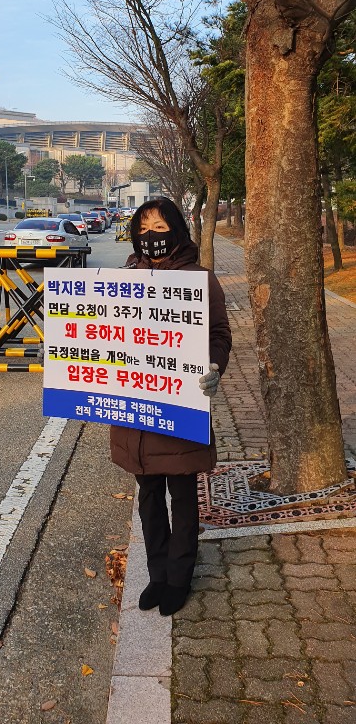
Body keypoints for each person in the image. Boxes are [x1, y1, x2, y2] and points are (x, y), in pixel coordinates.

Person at [110, 197, 232, 616]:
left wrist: (214, 366)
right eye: (144, 229)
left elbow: (219, 334)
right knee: (148, 495)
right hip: (137, 409)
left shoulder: (201, 280)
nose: (151, 237)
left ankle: (179, 577)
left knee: (182, 493)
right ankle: (157, 574)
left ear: (177, 231)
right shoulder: (126, 279)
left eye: (160, 229)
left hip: (179, 407)